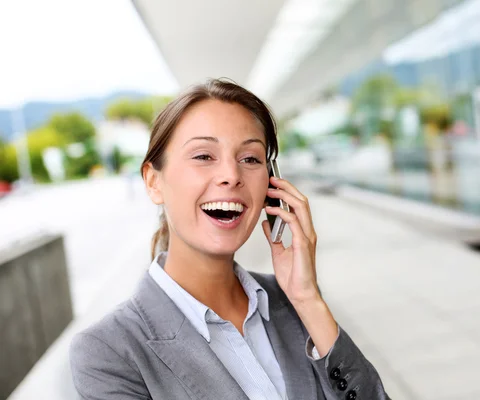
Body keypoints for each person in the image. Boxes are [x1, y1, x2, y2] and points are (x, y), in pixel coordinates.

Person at [69, 79, 389, 400]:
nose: (231, 176)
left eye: (250, 159)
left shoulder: (293, 303)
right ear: (154, 182)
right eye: (204, 156)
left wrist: (308, 300)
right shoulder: (109, 352)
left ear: (272, 182)